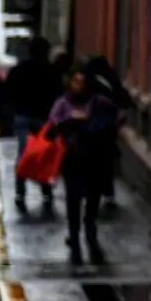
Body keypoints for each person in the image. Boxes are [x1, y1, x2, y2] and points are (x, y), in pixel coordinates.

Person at [47, 64, 120, 265]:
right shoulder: (63, 103)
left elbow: (113, 121)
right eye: (75, 81)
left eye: (82, 81)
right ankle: (74, 234)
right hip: (72, 159)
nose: (79, 85)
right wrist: (69, 121)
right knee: (73, 197)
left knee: (93, 197)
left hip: (95, 158)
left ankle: (90, 230)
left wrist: (88, 122)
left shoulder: (100, 103)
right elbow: (51, 127)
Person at [0, 37, 63, 213]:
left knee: (24, 154)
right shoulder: (52, 71)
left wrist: (11, 114)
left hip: (22, 117)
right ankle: (46, 192)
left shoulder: (18, 70)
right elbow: (59, 95)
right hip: (44, 119)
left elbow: (7, 93)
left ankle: (20, 193)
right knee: (44, 155)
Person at [78, 56, 131, 210]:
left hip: (86, 129)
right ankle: (108, 194)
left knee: (87, 161)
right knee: (106, 163)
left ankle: (88, 191)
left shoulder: (84, 80)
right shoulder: (110, 79)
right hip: (107, 130)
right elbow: (125, 100)